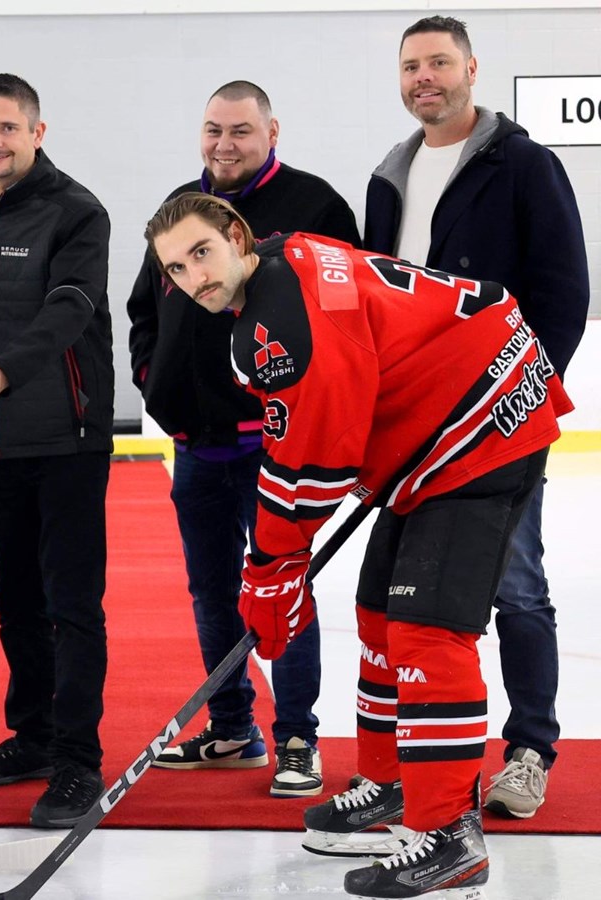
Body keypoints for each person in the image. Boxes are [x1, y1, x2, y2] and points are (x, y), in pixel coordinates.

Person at [146, 193, 570, 899]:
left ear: (236, 237)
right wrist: (274, 564)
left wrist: (270, 566)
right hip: (444, 426)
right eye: (176, 268)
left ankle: (450, 835)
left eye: (201, 253)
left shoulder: (279, 321)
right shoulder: (280, 271)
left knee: (427, 629)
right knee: (379, 609)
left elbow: (316, 464)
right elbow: (313, 438)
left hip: (482, 426)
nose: (194, 277)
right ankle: (393, 780)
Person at [364, 15, 589, 820]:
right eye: (411, 66)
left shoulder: (523, 165)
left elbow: (564, 296)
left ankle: (529, 750)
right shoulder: (389, 177)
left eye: (438, 63)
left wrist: (519, 397)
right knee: (420, 600)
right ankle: (421, 758)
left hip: (500, 422)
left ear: (471, 69)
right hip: (417, 429)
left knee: (518, 585)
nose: (424, 77)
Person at [128, 80, 359, 798]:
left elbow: (345, 322)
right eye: (212, 131)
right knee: (211, 594)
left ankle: (296, 738)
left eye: (240, 132)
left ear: (272, 132)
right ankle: (233, 729)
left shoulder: (316, 206)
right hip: (197, 448)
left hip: (275, 449)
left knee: (283, 588)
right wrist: (155, 384)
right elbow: (144, 310)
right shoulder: (177, 210)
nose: (224, 145)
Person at [0, 73, 116, 830]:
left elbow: (70, 309)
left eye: (7, 128)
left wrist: (4, 375)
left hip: (67, 437)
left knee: (72, 604)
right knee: (16, 600)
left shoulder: (78, 211)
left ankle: (79, 763)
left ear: (37, 132)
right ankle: (34, 738)